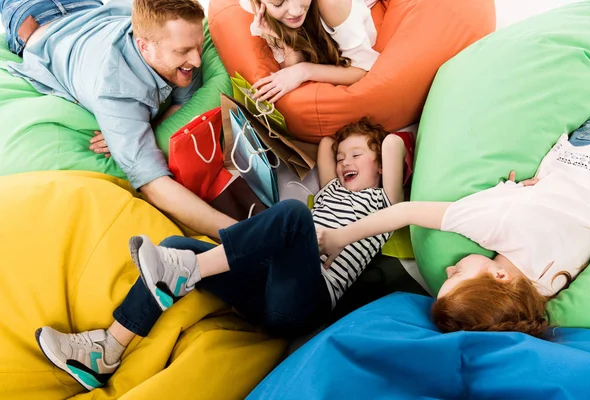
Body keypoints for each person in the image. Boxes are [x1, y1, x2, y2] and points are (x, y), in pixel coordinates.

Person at [33, 118, 405, 391]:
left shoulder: (385, 201)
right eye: (342, 158)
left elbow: (392, 143)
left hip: (306, 303)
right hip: (267, 286)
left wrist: (375, 141)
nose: (343, 162)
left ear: (383, 166)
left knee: (292, 215)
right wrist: (343, 144)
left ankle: (187, 270)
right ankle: (106, 349)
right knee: (174, 248)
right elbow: (325, 142)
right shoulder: (329, 192)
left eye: (356, 154)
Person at [317, 113, 590, 339]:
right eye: (457, 274)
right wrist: (339, 238)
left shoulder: (548, 287)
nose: (449, 268)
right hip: (588, 150)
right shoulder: (496, 224)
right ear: (500, 276)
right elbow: (405, 211)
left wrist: (515, 193)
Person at [0, 0, 237, 239]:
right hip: (32, 17)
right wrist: (241, 234)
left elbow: (183, 102)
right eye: (183, 51)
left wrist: (141, 130)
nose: (197, 61)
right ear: (144, 47)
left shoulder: (172, 47)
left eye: (198, 46)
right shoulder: (116, 91)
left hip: (86, 7)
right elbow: (155, 186)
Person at [239, 0, 381, 103]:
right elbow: (290, 69)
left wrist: (304, 71)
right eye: (278, 3)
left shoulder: (332, 4)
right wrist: (285, 39)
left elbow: (363, 71)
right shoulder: (262, 12)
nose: (295, 11)